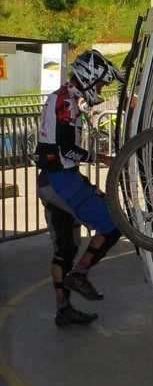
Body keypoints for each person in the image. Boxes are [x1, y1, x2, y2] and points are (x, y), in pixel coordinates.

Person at [35, 49, 123, 327]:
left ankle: (63, 309)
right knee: (113, 223)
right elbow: (65, 149)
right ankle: (80, 274)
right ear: (88, 78)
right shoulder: (65, 102)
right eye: (99, 84)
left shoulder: (66, 98)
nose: (100, 89)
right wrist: (102, 158)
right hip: (62, 181)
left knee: (66, 249)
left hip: (51, 181)